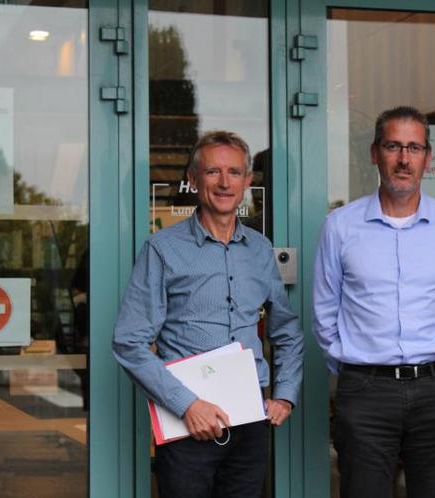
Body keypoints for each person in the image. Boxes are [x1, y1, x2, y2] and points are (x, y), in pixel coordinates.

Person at [112, 130, 303, 498]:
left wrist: (285, 394)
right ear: (192, 179)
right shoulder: (163, 249)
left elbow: (287, 331)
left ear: (248, 181)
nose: (224, 182)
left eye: (234, 172)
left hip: (250, 421)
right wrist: (189, 405)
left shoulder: (260, 250)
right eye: (213, 172)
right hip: (187, 423)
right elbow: (128, 342)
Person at [312, 105, 435, 498]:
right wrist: (357, 366)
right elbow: (324, 310)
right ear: (374, 153)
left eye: (414, 148)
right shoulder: (340, 226)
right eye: (393, 146)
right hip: (366, 392)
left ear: (427, 157)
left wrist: (429, 358)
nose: (404, 159)